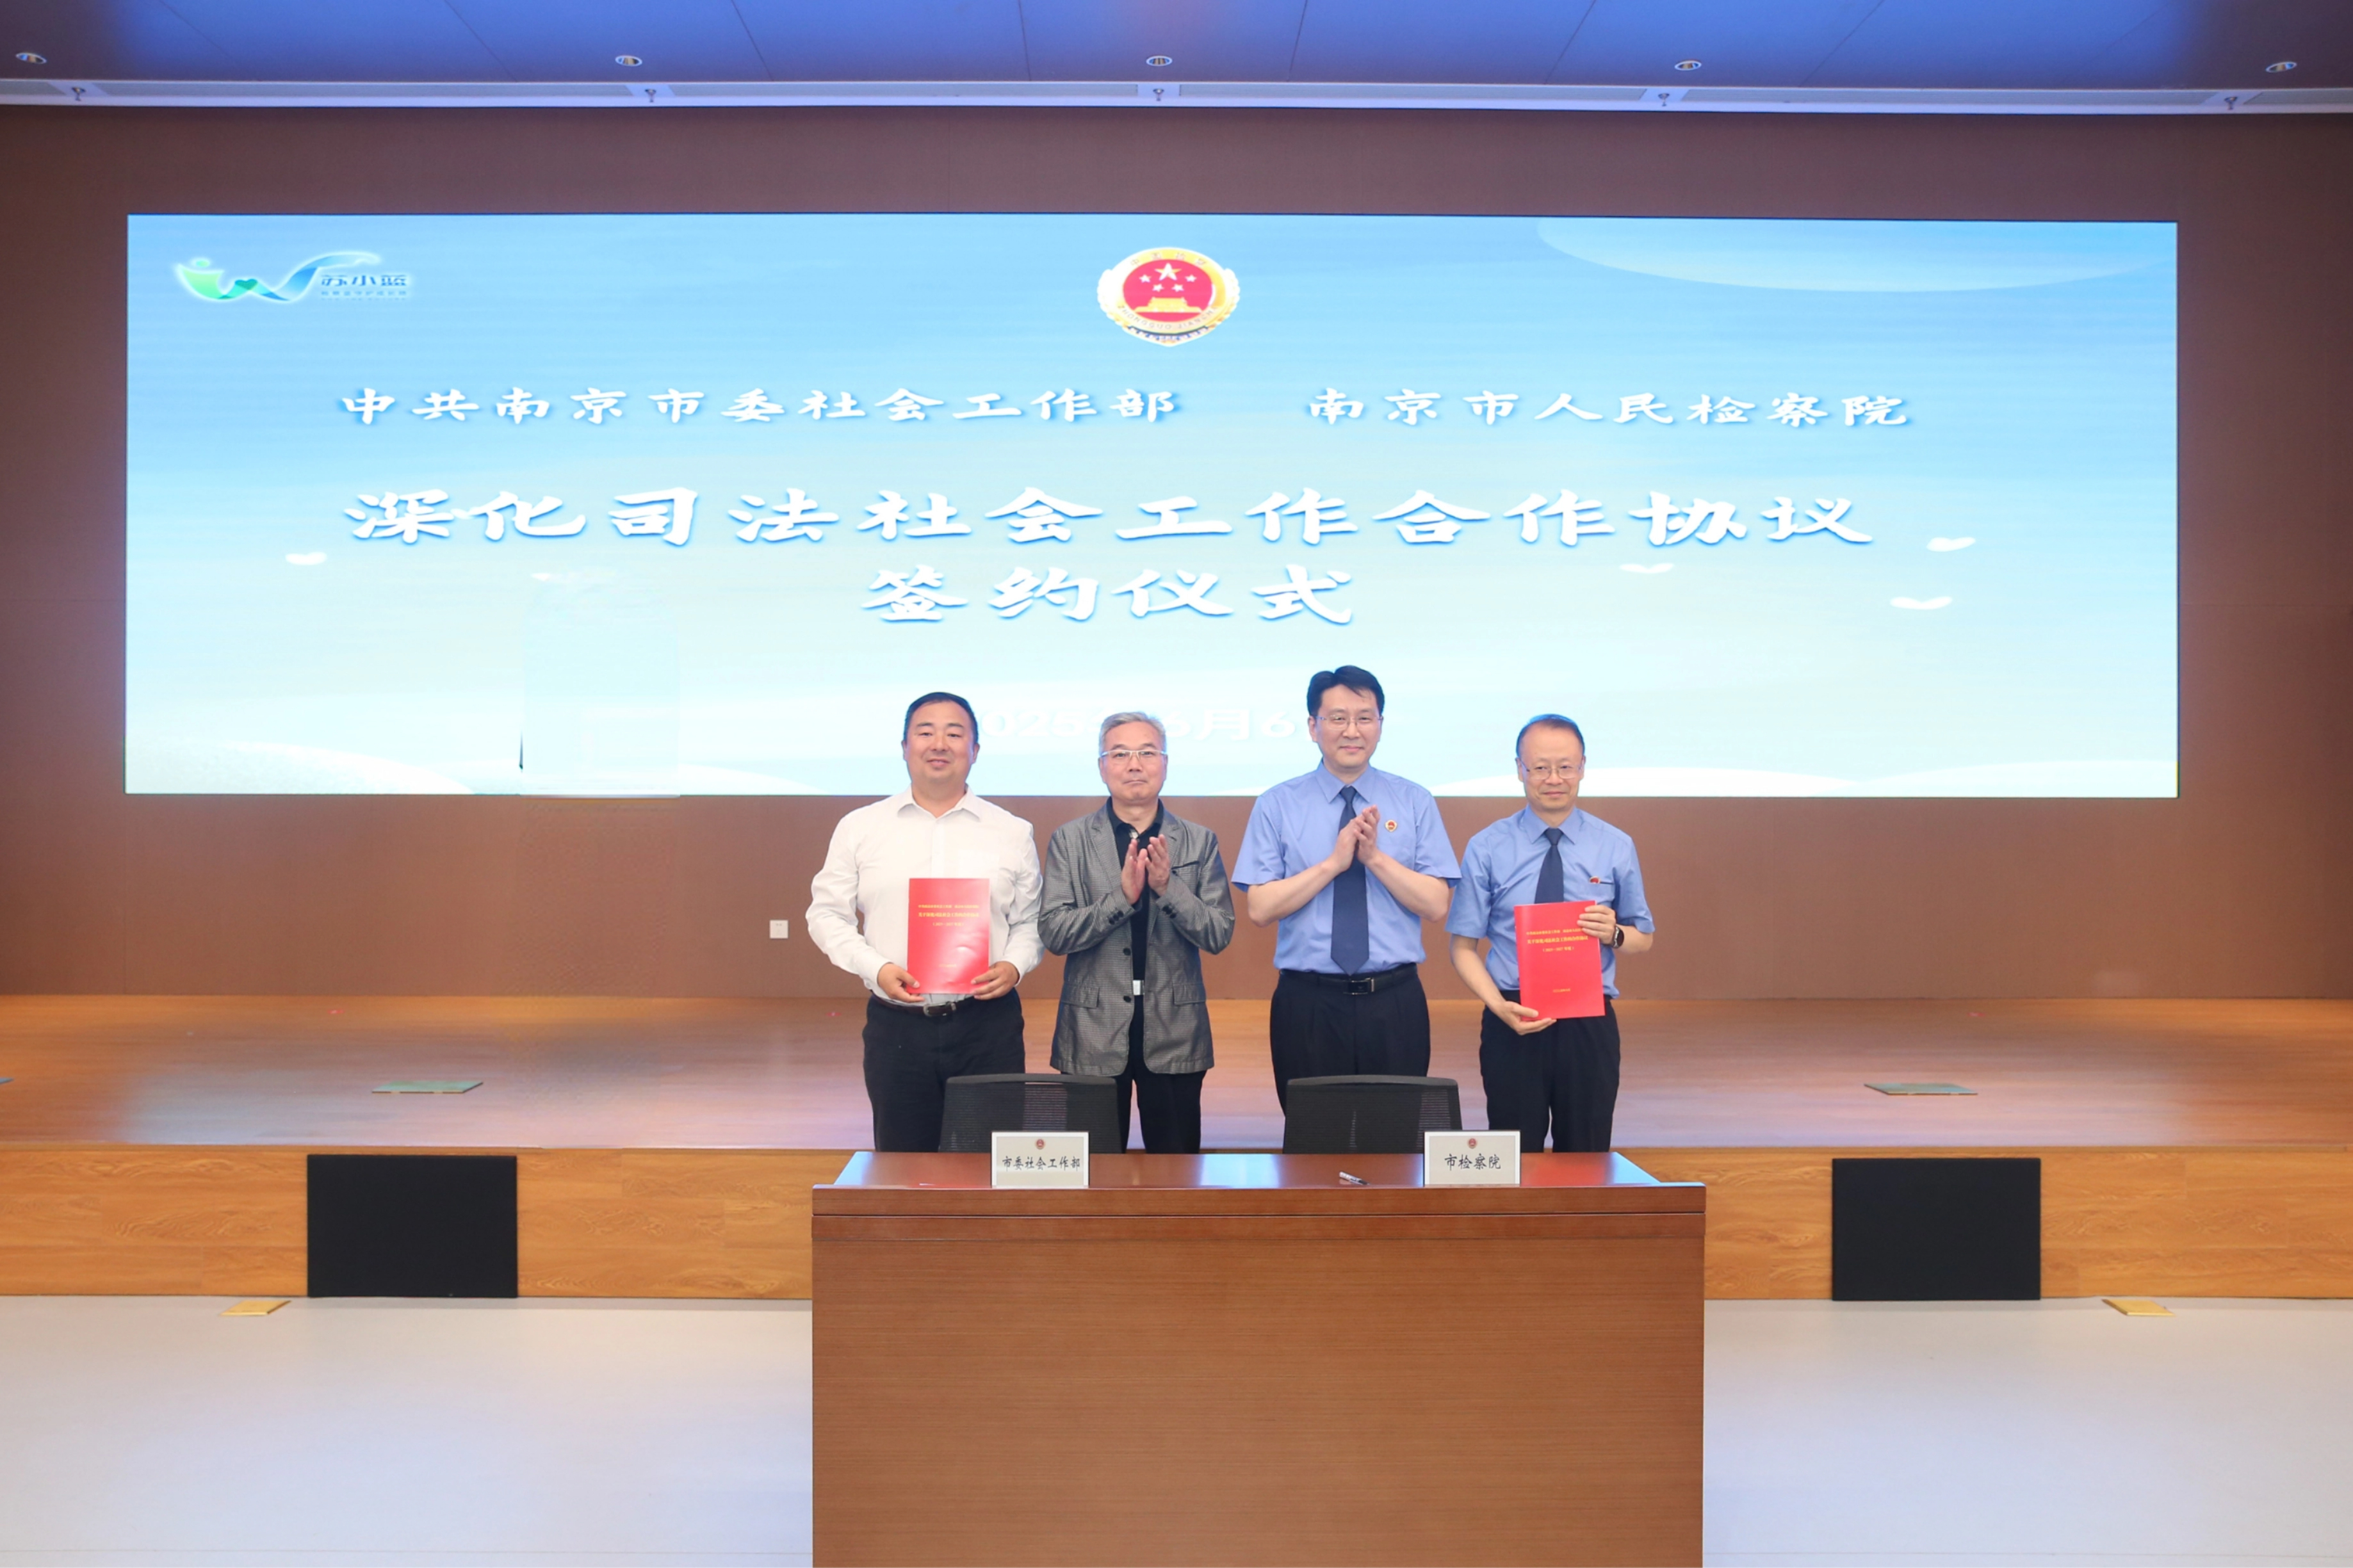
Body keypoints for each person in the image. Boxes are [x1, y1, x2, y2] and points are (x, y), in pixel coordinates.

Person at [807, 691, 1043, 1152]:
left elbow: (1030, 920)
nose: (939, 744)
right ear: (904, 747)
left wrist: (1014, 965)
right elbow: (826, 914)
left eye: (954, 733)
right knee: (903, 1165)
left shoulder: (1012, 831)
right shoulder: (861, 827)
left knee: (989, 1163)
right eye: (925, 732)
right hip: (898, 1028)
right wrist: (875, 968)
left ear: (975, 750)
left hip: (987, 1026)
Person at [1233, 665, 1459, 1106]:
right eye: (1337, 718)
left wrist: (1374, 858)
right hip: (1308, 1002)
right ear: (1313, 727)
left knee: (1395, 1135)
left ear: (1380, 725)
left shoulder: (1414, 800)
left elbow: (1436, 904)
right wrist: (1333, 865)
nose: (1352, 730)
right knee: (1314, 1135)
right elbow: (1260, 908)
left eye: (1365, 717)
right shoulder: (1278, 804)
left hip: (1394, 1000)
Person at [1447, 714, 1654, 1153]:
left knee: (1587, 1153)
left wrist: (1614, 934)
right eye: (1540, 767)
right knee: (1513, 1154)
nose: (1554, 779)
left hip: (1589, 1019)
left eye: (1565, 766)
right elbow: (1463, 947)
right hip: (1512, 1014)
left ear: (1583, 767)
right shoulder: (1488, 846)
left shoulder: (1615, 844)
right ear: (1520, 769)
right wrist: (1499, 1007)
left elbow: (1643, 936)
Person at [1040, 713, 1236, 1153]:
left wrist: (1168, 889)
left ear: (1165, 763)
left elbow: (1219, 932)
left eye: (1147, 752)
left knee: (1176, 1168)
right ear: (1101, 766)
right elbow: (1054, 932)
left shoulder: (1199, 841)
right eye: (1120, 754)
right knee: (1090, 1169)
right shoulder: (1070, 840)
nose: (1134, 764)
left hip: (1175, 1026)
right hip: (1092, 1026)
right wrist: (1121, 899)